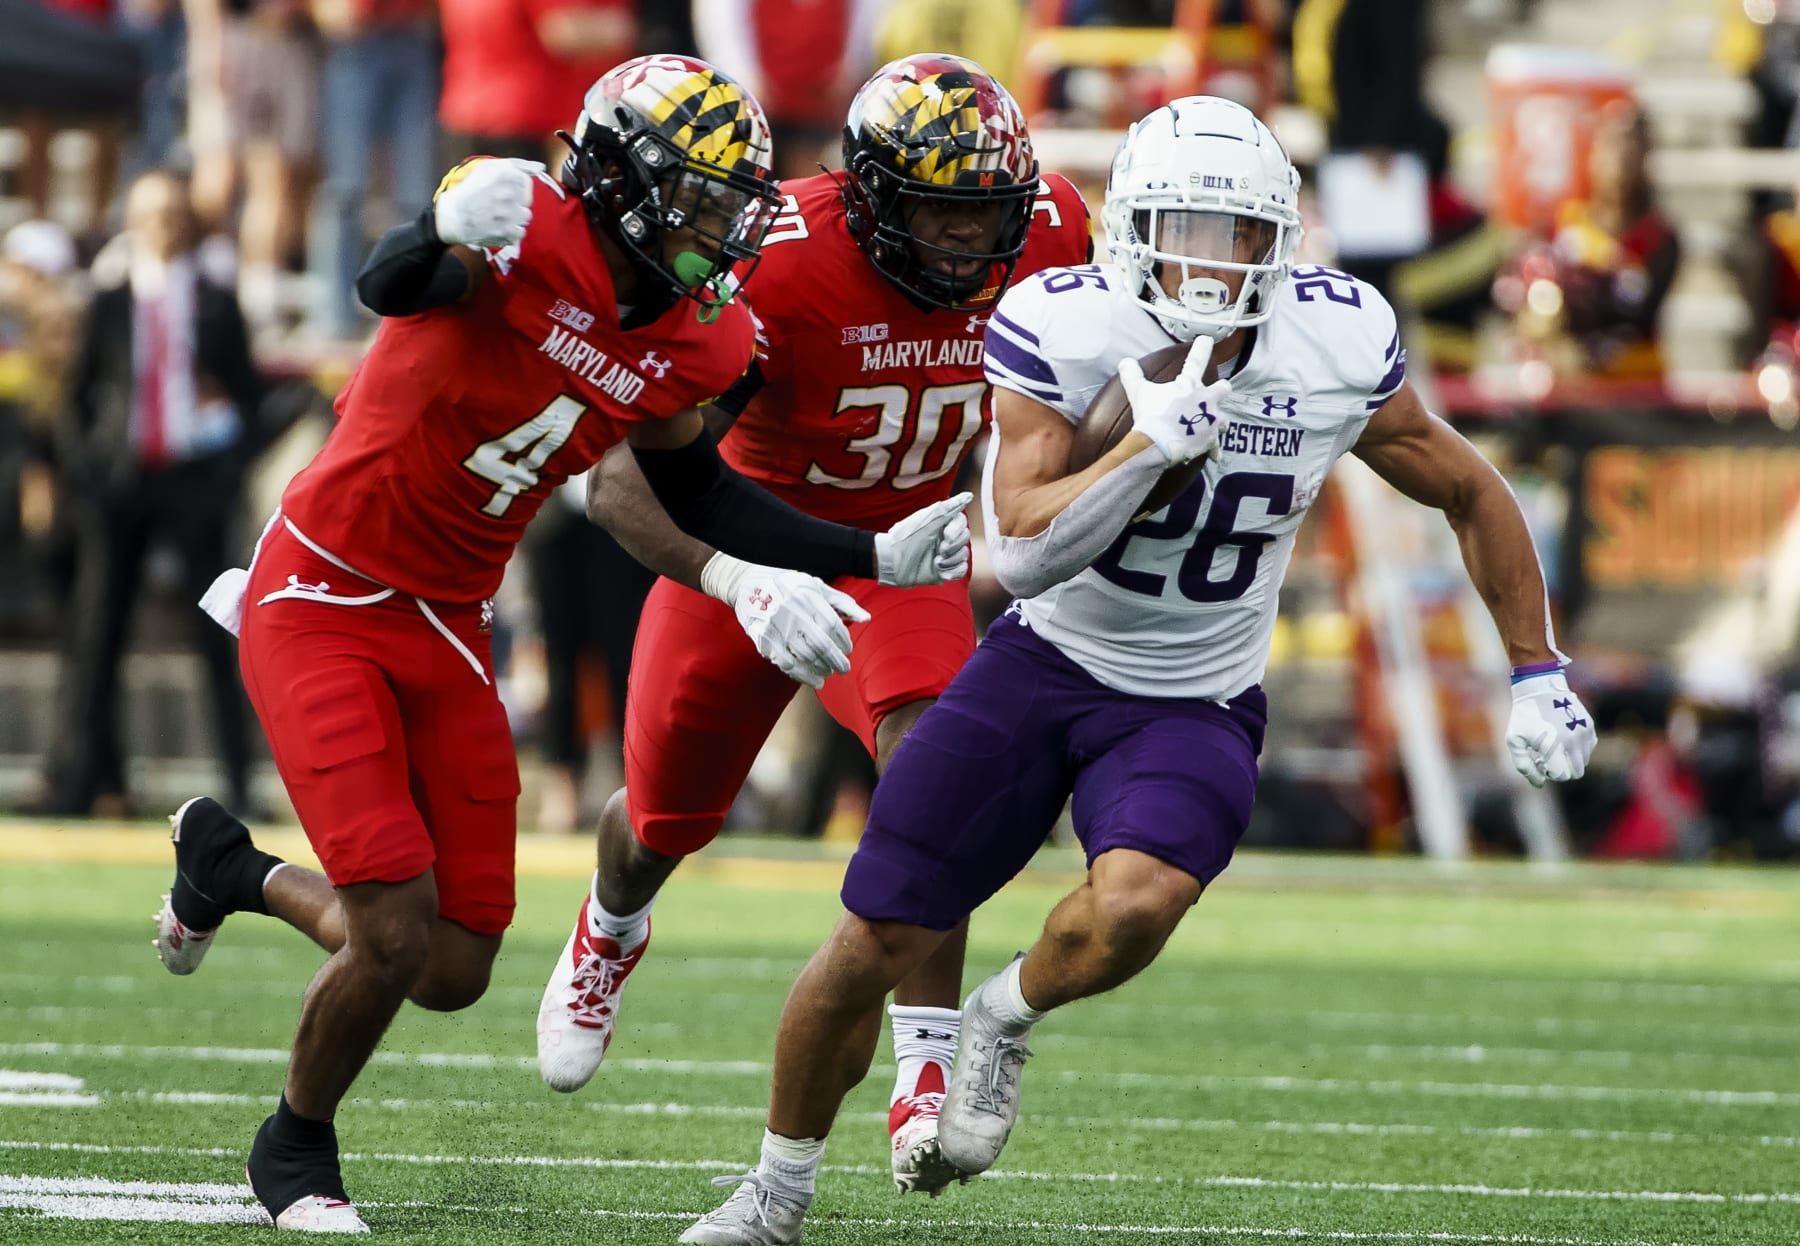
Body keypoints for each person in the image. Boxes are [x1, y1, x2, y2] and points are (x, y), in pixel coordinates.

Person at [681, 95, 1600, 1245]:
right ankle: (774, 1192)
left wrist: (1535, 667)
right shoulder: (1063, 324)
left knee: (1139, 902)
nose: (1211, 267)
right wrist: (1143, 447)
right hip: (1047, 663)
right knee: (874, 937)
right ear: (1131, 230)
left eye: (1240, 237)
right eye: (1185, 230)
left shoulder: (1338, 338)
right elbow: (1016, 547)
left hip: (1197, 690)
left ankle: (1000, 1017)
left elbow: (1466, 485)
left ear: (1284, 240)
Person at [147, 55, 972, 1234]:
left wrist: (872, 556)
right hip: (324, 590)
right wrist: (433, 220)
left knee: (452, 963)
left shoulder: (698, 337)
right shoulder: (524, 219)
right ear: (628, 184)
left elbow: (710, 493)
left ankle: (230, 869)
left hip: (449, 613)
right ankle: (294, 1148)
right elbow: (390, 283)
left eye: (733, 198)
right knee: (392, 926)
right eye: (698, 196)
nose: (724, 226)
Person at [534, 52, 1094, 1193]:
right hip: (747, 545)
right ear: (878, 195)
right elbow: (625, 483)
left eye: (986, 211)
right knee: (661, 817)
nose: (967, 240)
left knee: (934, 761)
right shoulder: (778, 261)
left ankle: (927, 1059)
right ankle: (609, 925)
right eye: (942, 210)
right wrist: (737, 578)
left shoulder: (1051, 229)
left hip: (908, 551)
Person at [40, 169, 262, 818]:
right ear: (131, 221)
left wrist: (224, 469)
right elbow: (77, 398)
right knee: (97, 635)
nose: (165, 224)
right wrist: (91, 470)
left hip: (193, 481)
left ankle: (239, 782)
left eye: (174, 211)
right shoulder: (108, 302)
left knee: (220, 634)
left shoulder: (220, 301)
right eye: (152, 212)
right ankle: (86, 778)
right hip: (123, 481)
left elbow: (250, 399)